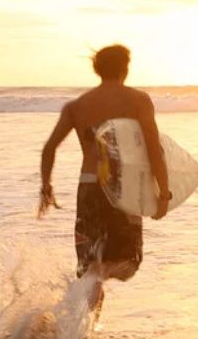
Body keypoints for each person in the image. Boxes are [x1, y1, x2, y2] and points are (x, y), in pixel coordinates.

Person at [38, 44, 170, 312]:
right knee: (128, 262)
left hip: (88, 187)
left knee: (89, 266)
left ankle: (79, 333)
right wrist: (163, 191)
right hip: (122, 188)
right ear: (126, 68)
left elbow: (49, 148)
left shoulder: (76, 106)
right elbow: (153, 148)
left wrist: (46, 186)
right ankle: (93, 284)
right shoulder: (138, 100)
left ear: (97, 69)